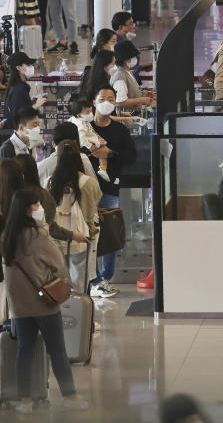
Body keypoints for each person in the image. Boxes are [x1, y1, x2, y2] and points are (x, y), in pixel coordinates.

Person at [1, 189, 88, 414]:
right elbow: (59, 264)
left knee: (25, 351)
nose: (40, 209)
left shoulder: (7, 236)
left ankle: (25, 401)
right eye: (37, 205)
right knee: (57, 350)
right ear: (28, 211)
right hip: (44, 304)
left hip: (19, 306)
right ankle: (70, 396)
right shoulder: (38, 236)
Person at [89, 86, 136, 297]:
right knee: (88, 234)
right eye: (102, 98)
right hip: (85, 190)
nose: (106, 101)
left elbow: (131, 157)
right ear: (94, 102)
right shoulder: (84, 128)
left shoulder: (120, 131)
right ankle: (90, 278)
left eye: (110, 98)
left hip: (109, 188)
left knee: (109, 234)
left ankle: (105, 277)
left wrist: (111, 153)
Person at [47, 141, 100, 290]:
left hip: (54, 239)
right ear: (78, 158)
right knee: (80, 284)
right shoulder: (88, 183)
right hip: (80, 238)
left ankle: (60, 311)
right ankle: (78, 310)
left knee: (58, 283)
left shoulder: (49, 182)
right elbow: (91, 214)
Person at [112, 41, 154, 109]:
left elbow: (130, 93)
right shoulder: (120, 77)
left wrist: (142, 94)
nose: (135, 59)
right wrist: (142, 100)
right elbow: (119, 102)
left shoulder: (128, 72)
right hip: (126, 118)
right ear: (125, 58)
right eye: (133, 56)